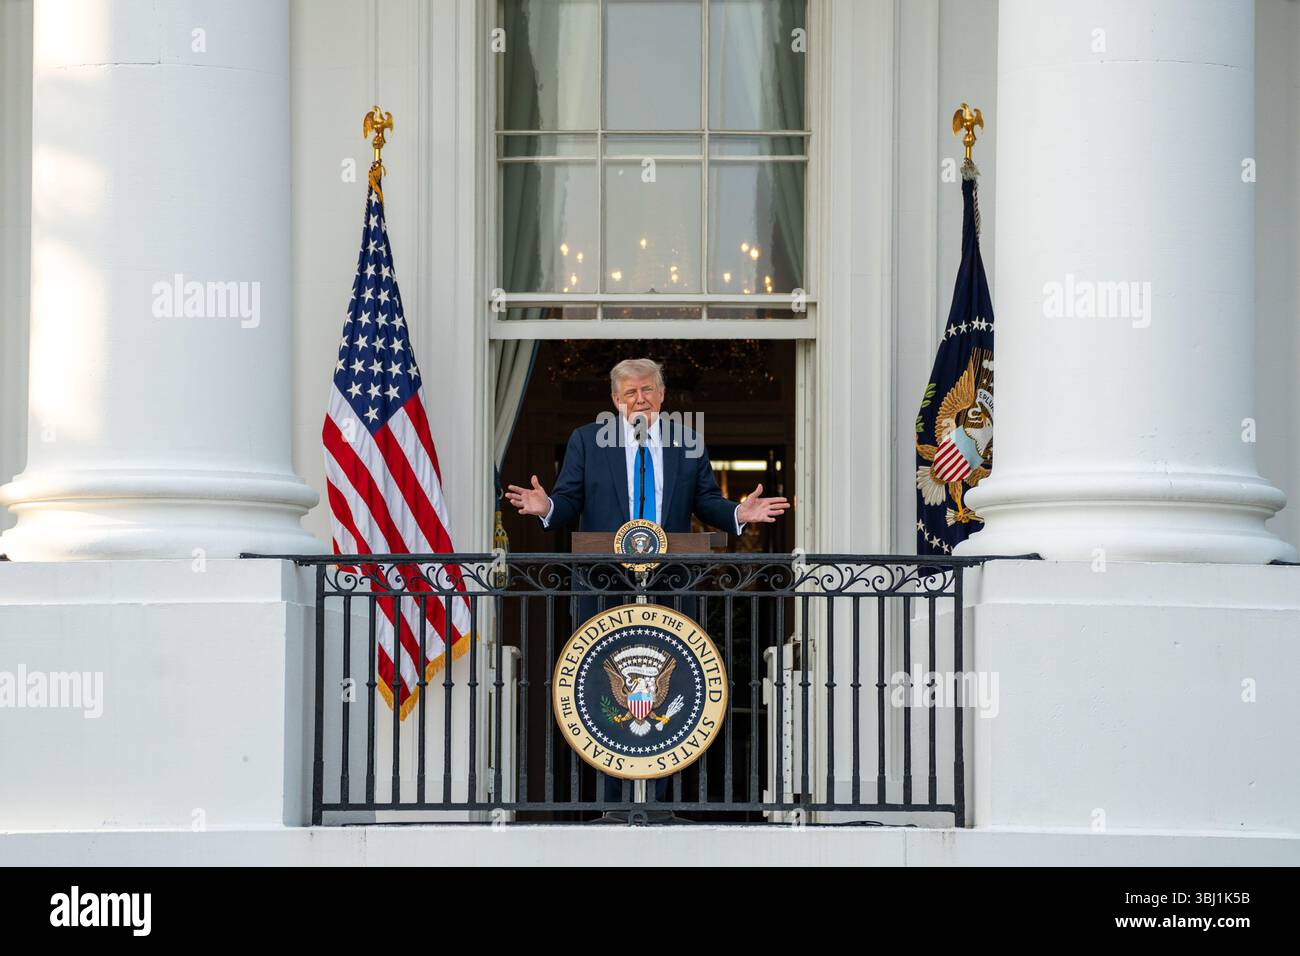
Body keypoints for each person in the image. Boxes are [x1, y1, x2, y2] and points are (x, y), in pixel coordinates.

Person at [506, 358, 789, 822]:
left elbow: (705, 502)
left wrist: (739, 513)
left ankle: (663, 804)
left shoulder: (686, 441)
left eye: (647, 391)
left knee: (673, 685)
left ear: (661, 395)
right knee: (598, 686)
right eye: (629, 393)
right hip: (602, 583)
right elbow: (570, 499)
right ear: (614, 401)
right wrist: (548, 506)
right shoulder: (585, 440)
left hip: (671, 583)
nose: (639, 400)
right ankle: (607, 805)